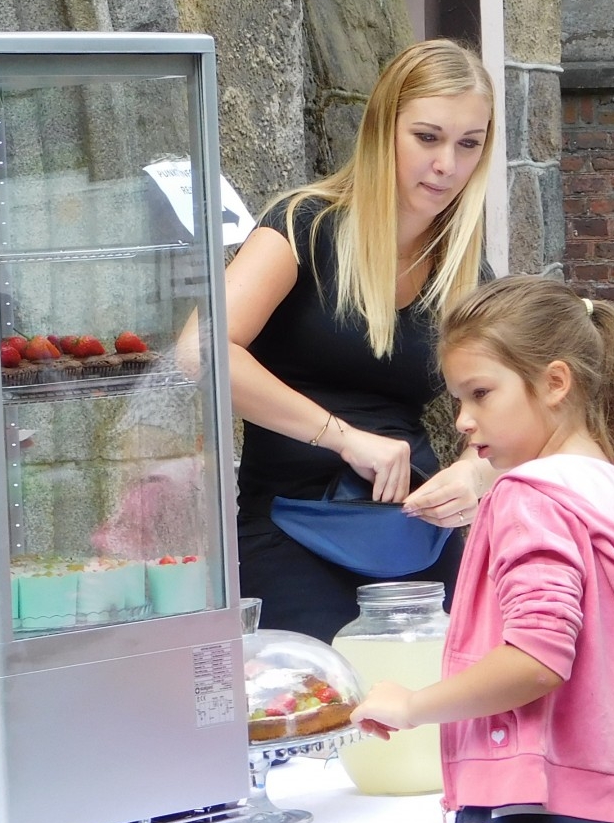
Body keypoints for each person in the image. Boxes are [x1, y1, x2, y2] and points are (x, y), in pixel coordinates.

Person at [352, 275, 614, 823]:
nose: (465, 422)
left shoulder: (527, 498)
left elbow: (536, 659)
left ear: (556, 382)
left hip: (537, 820)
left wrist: (415, 706)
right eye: (458, 400)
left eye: (481, 394)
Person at [211, 38, 500, 640]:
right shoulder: (303, 224)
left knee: (436, 710)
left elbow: (521, 409)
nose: (447, 164)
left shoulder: (465, 270)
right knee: (328, 703)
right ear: (382, 129)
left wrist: (476, 474)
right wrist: (346, 440)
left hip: (413, 533)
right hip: (288, 525)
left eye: (468, 144)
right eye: (427, 137)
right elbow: (204, 353)